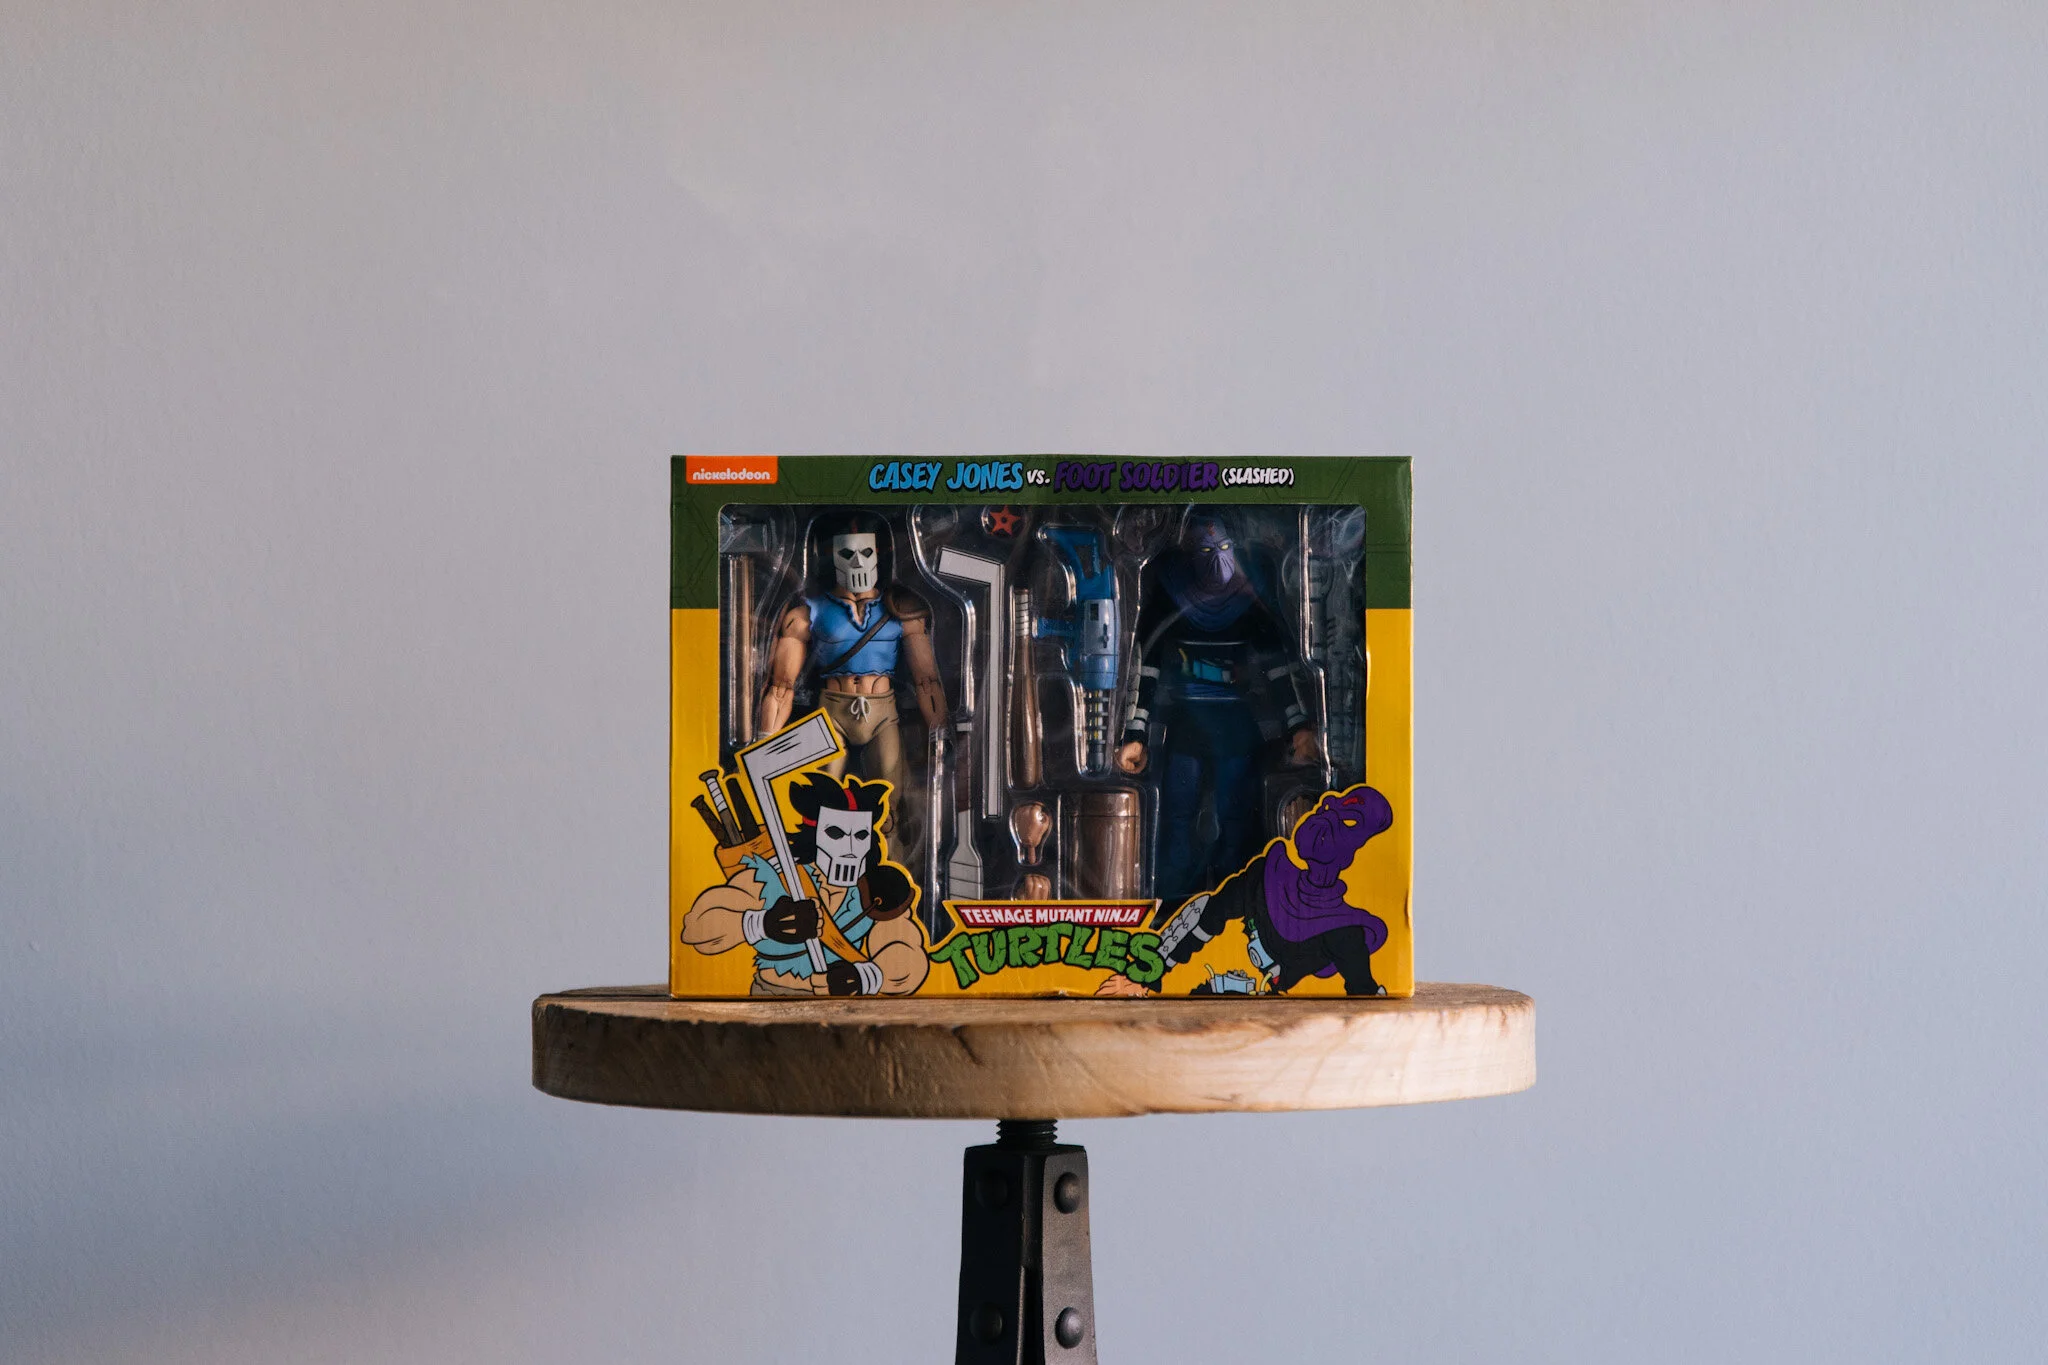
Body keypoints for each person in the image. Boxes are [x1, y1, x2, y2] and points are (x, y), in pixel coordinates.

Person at [1117, 515, 1316, 908]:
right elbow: (1146, 670)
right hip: (1186, 729)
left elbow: (1280, 671)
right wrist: (1135, 733)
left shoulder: (1250, 601)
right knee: (1177, 819)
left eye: (1225, 549)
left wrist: (1299, 727)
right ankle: (1172, 906)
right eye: (1207, 551)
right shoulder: (1168, 598)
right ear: (1189, 555)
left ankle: (1234, 907)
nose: (1218, 559)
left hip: (1236, 732)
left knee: (1238, 821)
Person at [756, 514, 947, 832]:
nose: (857, 562)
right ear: (831, 557)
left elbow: (927, 681)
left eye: (866, 553)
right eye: (848, 553)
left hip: (883, 713)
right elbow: (781, 686)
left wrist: (941, 736)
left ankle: (889, 861)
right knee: (819, 807)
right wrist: (764, 742)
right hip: (832, 712)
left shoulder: (902, 611)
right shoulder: (809, 612)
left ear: (879, 556)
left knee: (889, 809)